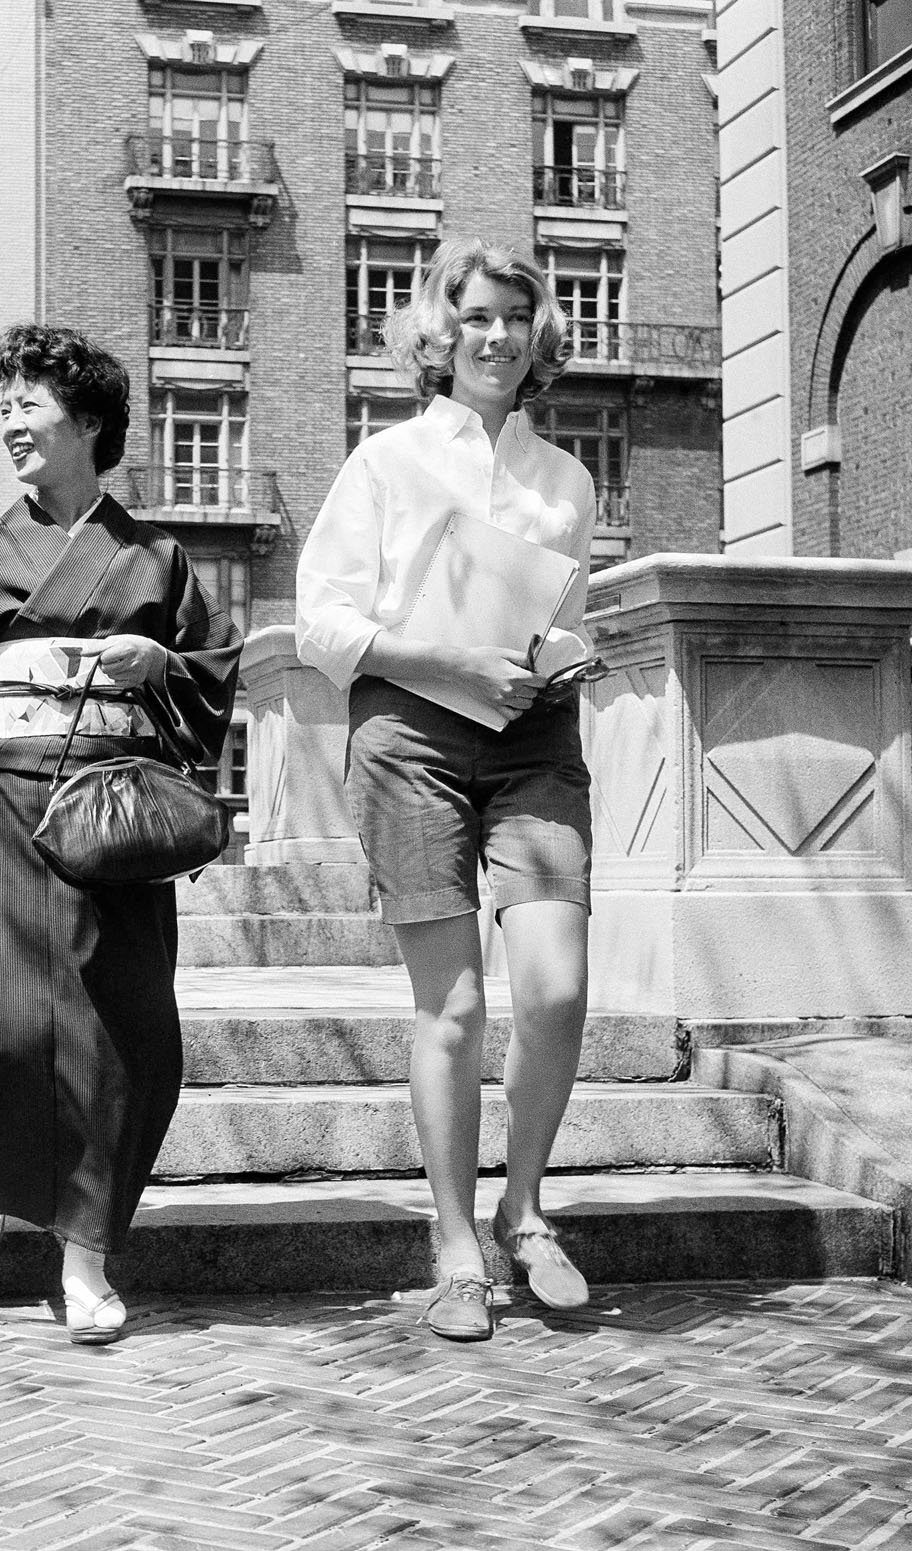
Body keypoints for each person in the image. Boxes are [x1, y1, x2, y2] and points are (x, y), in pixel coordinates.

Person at [0, 323, 241, 1344]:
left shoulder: (155, 557)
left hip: (116, 809)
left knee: (129, 1035)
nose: (12, 426)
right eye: (7, 410)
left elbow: (212, 674)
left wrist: (157, 664)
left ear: (86, 421)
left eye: (28, 408)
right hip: (4, 798)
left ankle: (86, 1258)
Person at [296, 237, 598, 1341]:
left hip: (531, 742)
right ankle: (455, 1241)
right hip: (412, 738)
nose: (497, 337)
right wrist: (446, 662)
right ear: (440, 329)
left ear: (537, 336)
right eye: (476, 316)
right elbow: (325, 622)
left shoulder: (564, 479)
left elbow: (559, 614)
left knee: (557, 988)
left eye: (517, 319)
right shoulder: (383, 465)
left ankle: (524, 1210)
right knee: (456, 1006)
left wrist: (568, 653)